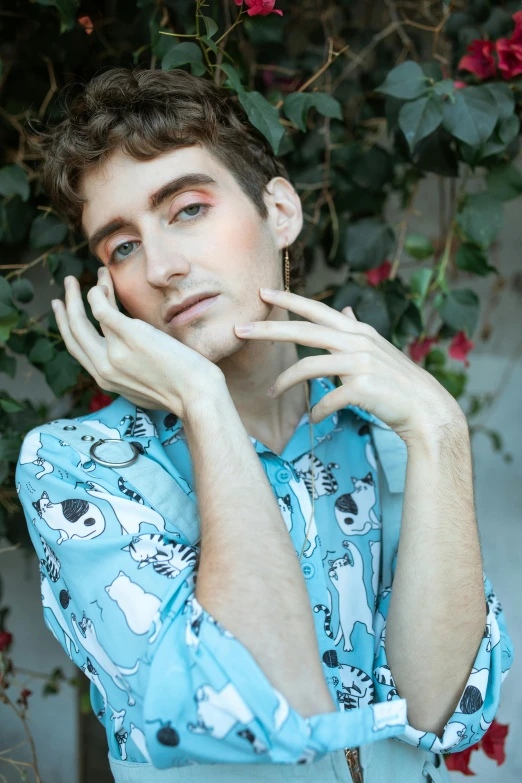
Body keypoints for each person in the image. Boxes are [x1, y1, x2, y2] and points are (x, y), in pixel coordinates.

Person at [16, 67, 512, 782]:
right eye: (121, 246)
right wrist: (204, 402)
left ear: (279, 210)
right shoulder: (75, 469)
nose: (161, 265)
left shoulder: (383, 433)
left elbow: (438, 709)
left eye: (186, 208)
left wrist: (441, 432)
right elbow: (276, 709)